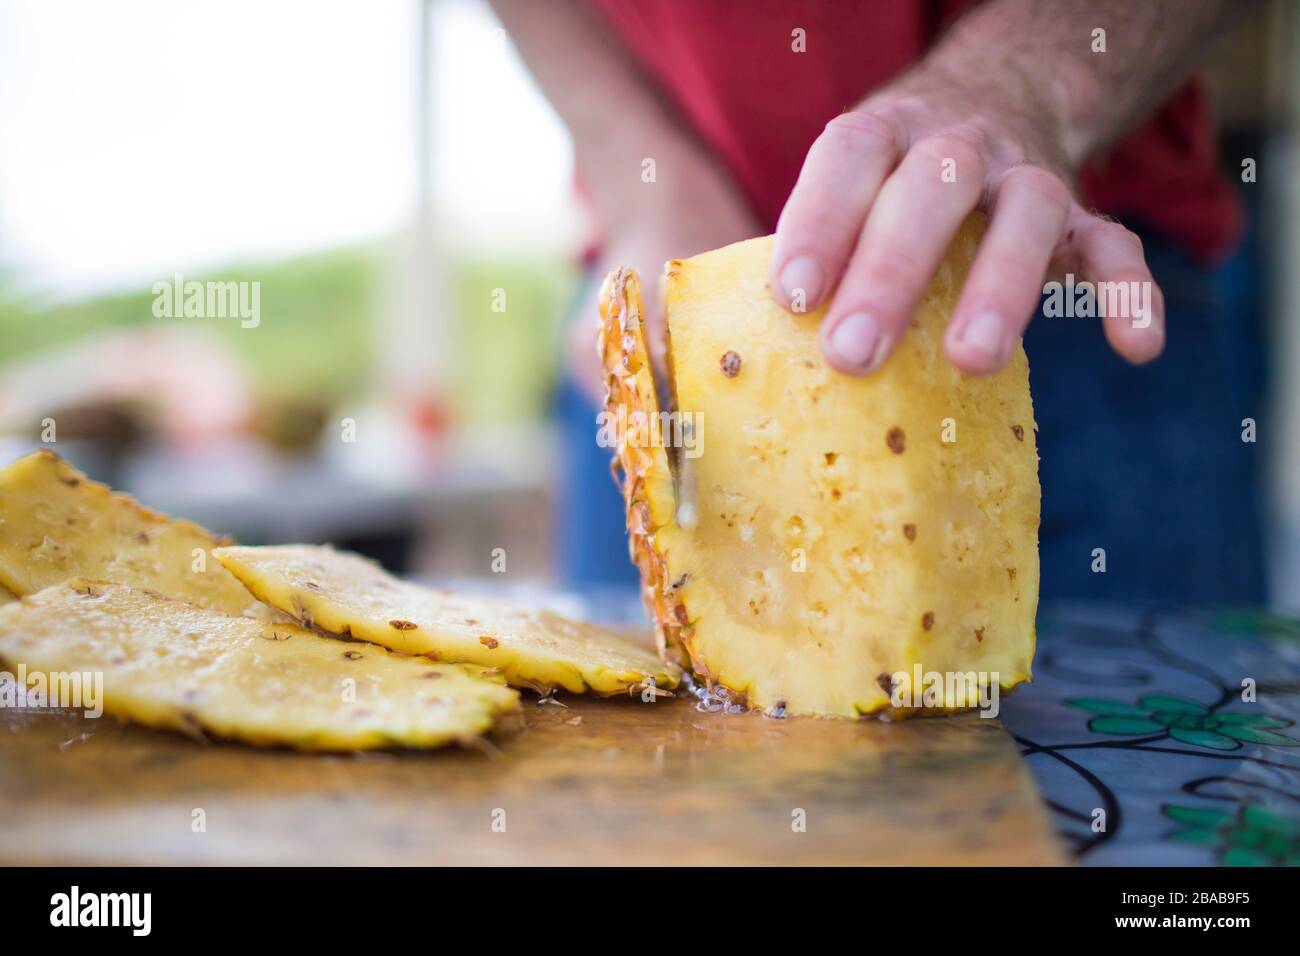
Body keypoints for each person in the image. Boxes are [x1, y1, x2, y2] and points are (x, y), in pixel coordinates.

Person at [493, 0, 1267, 605]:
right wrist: (643, 180)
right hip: (665, 316)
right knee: (650, 789)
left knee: (1130, 786)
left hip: (1042, 282)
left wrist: (1028, 79)